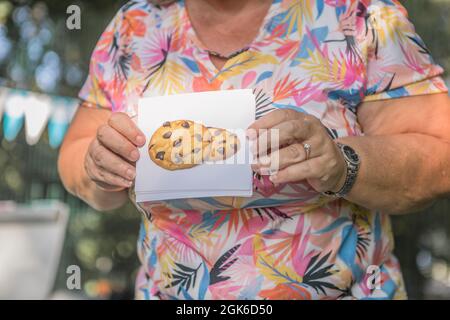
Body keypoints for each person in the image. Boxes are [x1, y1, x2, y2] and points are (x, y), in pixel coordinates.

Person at [58, 0, 450, 299]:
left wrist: (341, 164)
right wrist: (100, 166)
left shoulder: (359, 14)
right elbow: (77, 155)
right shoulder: (134, 27)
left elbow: (438, 157)